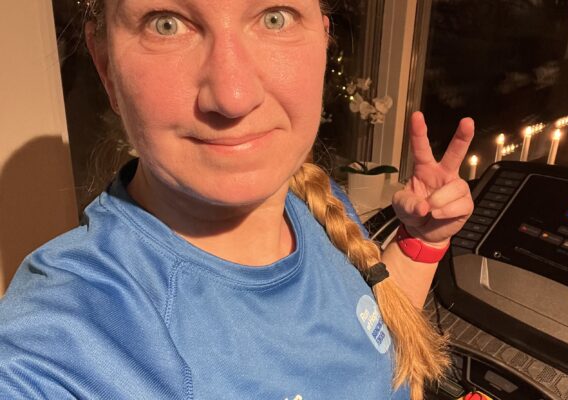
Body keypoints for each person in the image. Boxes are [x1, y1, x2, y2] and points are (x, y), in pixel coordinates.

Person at [0, 0, 475, 399]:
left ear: (323, 40)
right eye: (166, 24)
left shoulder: (315, 200)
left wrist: (423, 241)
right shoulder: (72, 328)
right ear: (105, 65)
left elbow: (370, 333)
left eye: (274, 17)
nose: (233, 96)